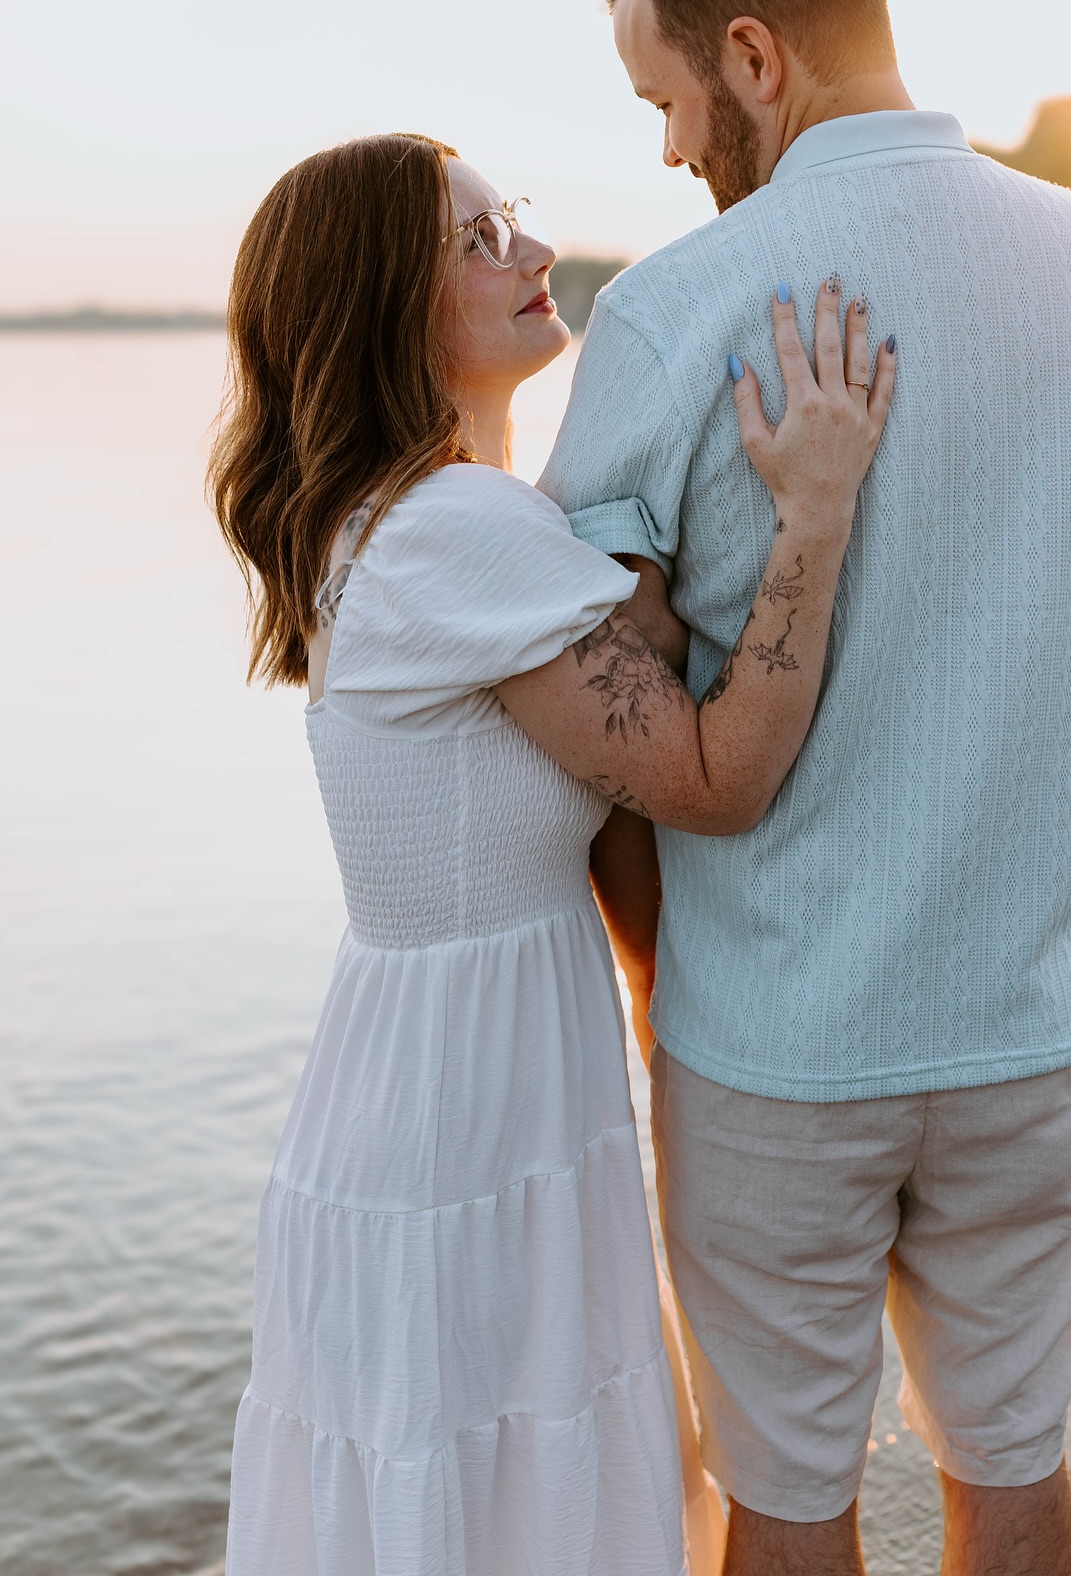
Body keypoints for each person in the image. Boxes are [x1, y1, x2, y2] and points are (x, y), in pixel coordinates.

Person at [540, 0, 1071, 1576]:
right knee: (1013, 1469)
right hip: (1025, 1028)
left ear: (754, 55)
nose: (666, 151)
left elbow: (599, 713)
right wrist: (1034, 864)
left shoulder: (674, 307)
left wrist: (664, 970)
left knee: (783, 1500)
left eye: (665, 100)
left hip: (773, 1050)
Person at [207, 130, 894, 1576]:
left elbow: (615, 663)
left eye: (508, 218)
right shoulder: (449, 530)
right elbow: (715, 774)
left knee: (474, 1500)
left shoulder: (406, 523)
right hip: (467, 1108)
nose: (530, 251)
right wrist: (815, 510)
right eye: (476, 240)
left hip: (440, 1070)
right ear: (381, 309)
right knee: (509, 1490)